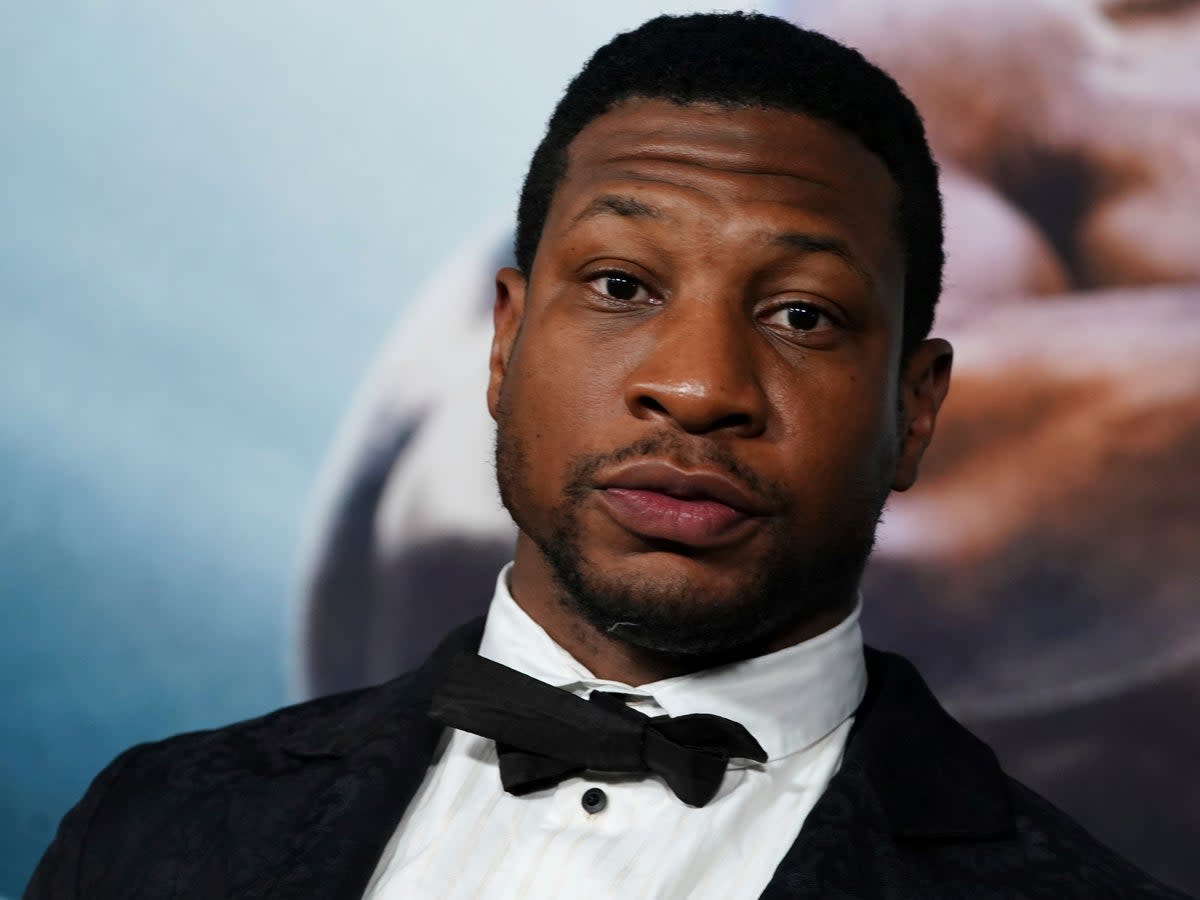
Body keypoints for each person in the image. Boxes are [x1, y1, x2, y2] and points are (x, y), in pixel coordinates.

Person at [26, 12, 1190, 899]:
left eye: (800, 318)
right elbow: (435, 508)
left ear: (917, 409)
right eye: (624, 289)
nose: (696, 386)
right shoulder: (153, 823)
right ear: (506, 339)